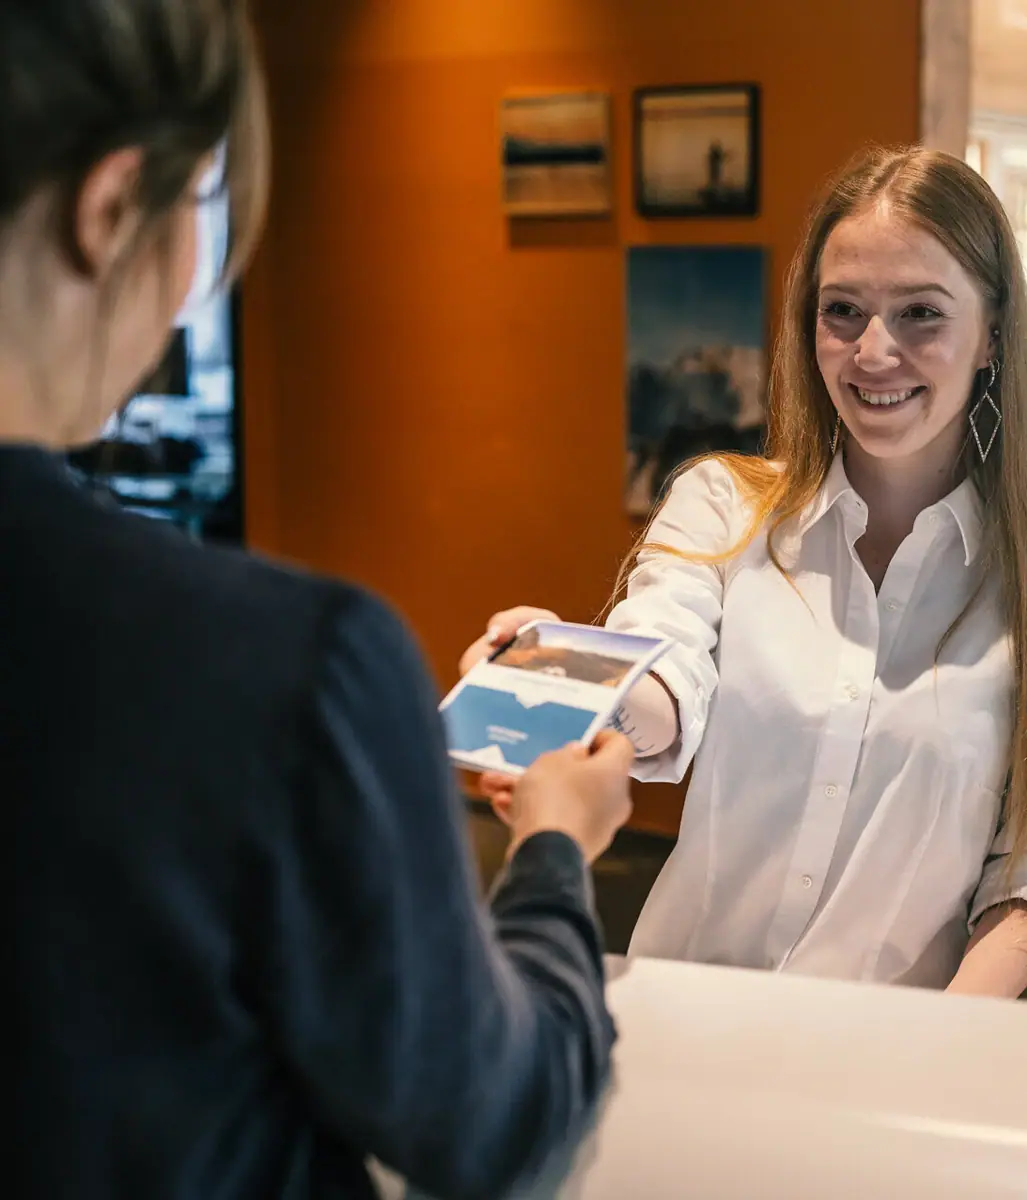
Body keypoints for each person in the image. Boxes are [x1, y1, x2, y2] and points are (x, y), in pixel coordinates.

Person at [1, 2, 634, 1197]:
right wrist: (555, 847)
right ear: (111, 208)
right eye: (200, 205)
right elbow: (497, 1124)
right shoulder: (285, 668)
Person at [461, 145, 1027, 999]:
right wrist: (565, 684)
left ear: (992, 335)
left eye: (921, 314)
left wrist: (939, 1047)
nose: (873, 352)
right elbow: (664, 677)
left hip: (895, 1050)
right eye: (843, 310)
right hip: (680, 1012)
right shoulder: (721, 508)